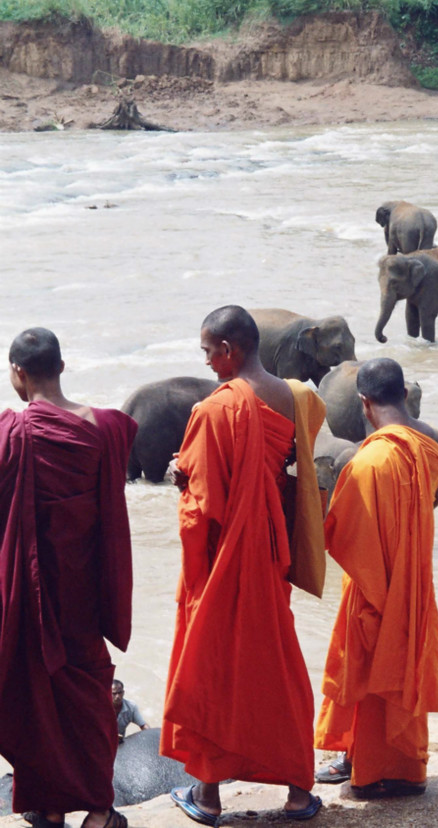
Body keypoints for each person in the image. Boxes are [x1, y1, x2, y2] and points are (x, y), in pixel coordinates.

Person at [160, 305, 327, 824]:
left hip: (223, 559)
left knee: (213, 667)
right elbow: (280, 467)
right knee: (275, 663)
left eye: (209, 353)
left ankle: (208, 799)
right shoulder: (291, 395)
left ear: (229, 350)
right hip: (270, 549)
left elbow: (202, 508)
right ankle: (299, 792)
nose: (208, 363)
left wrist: (181, 478)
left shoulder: (215, 410)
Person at [0, 327, 137, 828]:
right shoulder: (104, 428)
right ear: (61, 366)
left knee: (33, 690)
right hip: (83, 590)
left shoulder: (11, 433)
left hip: (29, 592)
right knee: (88, 691)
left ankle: (52, 807)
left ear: (18, 372)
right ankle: (99, 811)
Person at [314, 357, 438, 799]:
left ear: (364, 404)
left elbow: (343, 537)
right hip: (415, 583)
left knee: (365, 665)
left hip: (375, 584)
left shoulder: (368, 462)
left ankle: (365, 768)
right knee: (406, 661)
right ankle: (407, 769)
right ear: (405, 394)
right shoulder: (430, 448)